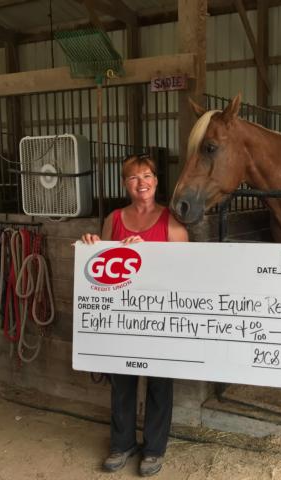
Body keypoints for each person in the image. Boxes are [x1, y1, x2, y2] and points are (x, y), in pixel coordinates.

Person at [80, 154, 189, 477]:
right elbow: (104, 265)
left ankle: (154, 449)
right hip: (123, 318)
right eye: (133, 177)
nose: (141, 183)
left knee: (159, 383)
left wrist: (148, 251)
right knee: (122, 382)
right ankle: (122, 443)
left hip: (159, 316)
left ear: (156, 180)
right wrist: (92, 246)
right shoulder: (114, 218)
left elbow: (185, 268)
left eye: (147, 175)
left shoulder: (171, 220)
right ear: (125, 184)